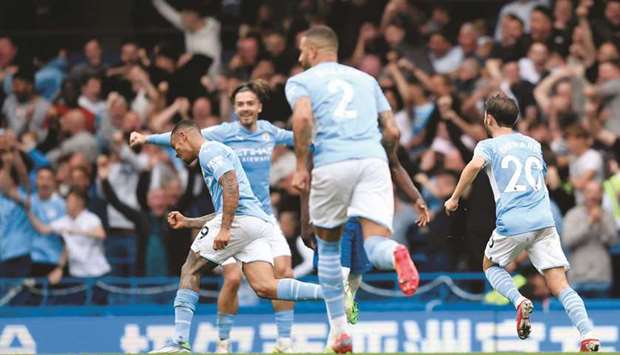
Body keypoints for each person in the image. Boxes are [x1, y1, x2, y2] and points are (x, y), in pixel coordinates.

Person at [131, 80, 301, 353]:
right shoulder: (222, 134)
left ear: (259, 107)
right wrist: (147, 138)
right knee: (233, 278)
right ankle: (223, 342)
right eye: (240, 104)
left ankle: (284, 343)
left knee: (281, 273)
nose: (245, 108)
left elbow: (300, 137)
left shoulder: (269, 132)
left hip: (259, 216)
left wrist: (330, 138)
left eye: (249, 103)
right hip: (234, 217)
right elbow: (180, 135)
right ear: (234, 108)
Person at [286, 25, 426, 353]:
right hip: (374, 161)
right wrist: (381, 153)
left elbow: (303, 120)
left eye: (302, 50)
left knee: (330, 253)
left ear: (314, 50)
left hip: (333, 163)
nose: (299, 56)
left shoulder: (301, 81)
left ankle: (339, 333)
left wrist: (301, 165)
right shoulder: (367, 80)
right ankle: (396, 254)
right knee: (375, 241)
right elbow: (391, 130)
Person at [150, 120, 323, 353]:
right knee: (266, 287)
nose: (177, 154)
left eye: (175, 146)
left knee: (189, 270)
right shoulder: (216, 152)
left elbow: (231, 185)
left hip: (239, 223)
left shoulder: (209, 151)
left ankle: (179, 341)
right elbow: (227, 204)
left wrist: (224, 228)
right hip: (256, 223)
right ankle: (332, 293)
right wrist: (189, 222)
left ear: (183, 136)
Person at [444, 95, 600, 352]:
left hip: (513, 221)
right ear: (515, 120)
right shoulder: (533, 144)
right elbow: (546, 177)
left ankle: (518, 301)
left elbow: (473, 166)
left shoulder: (487, 145)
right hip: (543, 220)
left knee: (490, 265)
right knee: (560, 283)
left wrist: (454, 198)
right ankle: (588, 335)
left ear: (488, 118)